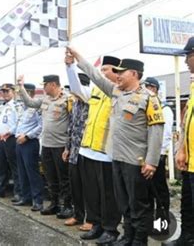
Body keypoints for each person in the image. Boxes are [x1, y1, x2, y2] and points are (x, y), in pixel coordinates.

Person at [67, 47, 164, 246]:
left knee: (138, 205)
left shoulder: (148, 98)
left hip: (136, 161)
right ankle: (127, 236)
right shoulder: (116, 92)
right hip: (117, 158)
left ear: (134, 74)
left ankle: (138, 240)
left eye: (122, 72)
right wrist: (77, 56)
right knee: (124, 204)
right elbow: (95, 76)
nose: (117, 76)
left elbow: (156, 131)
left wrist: (152, 162)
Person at [65, 54, 122, 243]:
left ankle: (110, 229)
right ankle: (96, 224)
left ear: (117, 72)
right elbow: (76, 89)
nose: (102, 72)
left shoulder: (119, 91)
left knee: (108, 196)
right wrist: (70, 67)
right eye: (102, 69)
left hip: (106, 153)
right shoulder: (95, 91)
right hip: (87, 150)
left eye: (106, 69)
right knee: (92, 193)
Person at [18, 74, 73, 219]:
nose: (43, 87)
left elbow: (74, 122)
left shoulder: (67, 99)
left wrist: (69, 146)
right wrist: (21, 87)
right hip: (47, 145)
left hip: (61, 145)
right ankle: (54, 204)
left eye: (45, 85)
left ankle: (67, 205)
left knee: (64, 178)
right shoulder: (45, 100)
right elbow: (29, 102)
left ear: (53, 85)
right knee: (50, 177)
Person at [169, 36, 194, 246]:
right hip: (190, 161)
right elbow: (187, 122)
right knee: (187, 204)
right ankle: (186, 238)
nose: (186, 60)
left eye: (189, 55)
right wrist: (181, 149)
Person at [62, 73, 90, 229]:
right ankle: (78, 215)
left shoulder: (91, 102)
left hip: (88, 152)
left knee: (89, 188)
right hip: (74, 152)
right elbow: (71, 127)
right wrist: (67, 148)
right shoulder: (75, 104)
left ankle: (91, 219)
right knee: (75, 186)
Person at [144, 76, 173, 228]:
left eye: (149, 87)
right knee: (147, 192)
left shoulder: (164, 109)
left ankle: (163, 222)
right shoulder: (145, 106)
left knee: (160, 190)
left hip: (158, 156)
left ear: (154, 89)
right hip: (145, 156)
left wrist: (158, 155)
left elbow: (165, 135)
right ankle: (149, 222)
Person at [0, 83, 22, 201]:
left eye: (8, 91)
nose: (5, 94)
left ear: (13, 92)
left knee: (14, 166)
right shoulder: (1, 107)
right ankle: (0, 190)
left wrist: (9, 133)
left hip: (10, 138)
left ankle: (18, 192)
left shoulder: (16, 106)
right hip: (0, 139)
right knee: (0, 165)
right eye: (3, 92)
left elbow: (19, 122)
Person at [12, 83, 44, 212]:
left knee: (32, 172)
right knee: (22, 172)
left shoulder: (37, 107)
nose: (20, 95)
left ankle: (38, 201)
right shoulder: (20, 107)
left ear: (31, 93)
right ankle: (26, 198)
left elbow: (41, 126)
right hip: (19, 142)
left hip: (30, 142)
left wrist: (27, 136)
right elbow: (18, 124)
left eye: (23, 92)